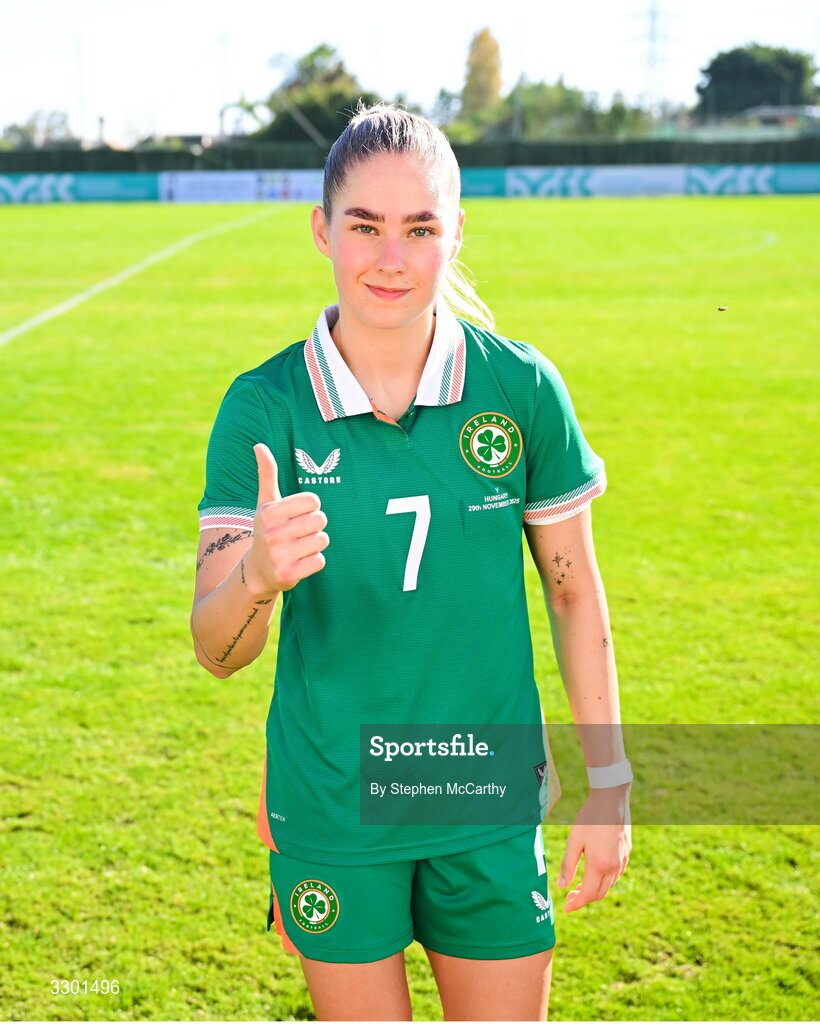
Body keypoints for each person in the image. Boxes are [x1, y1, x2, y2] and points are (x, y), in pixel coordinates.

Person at [190, 102, 632, 1022]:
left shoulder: (521, 389)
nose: (391, 258)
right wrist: (257, 579)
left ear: (456, 232)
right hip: (336, 802)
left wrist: (612, 780)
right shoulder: (262, 408)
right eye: (365, 226)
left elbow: (574, 592)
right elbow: (217, 648)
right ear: (322, 230)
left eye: (420, 228)